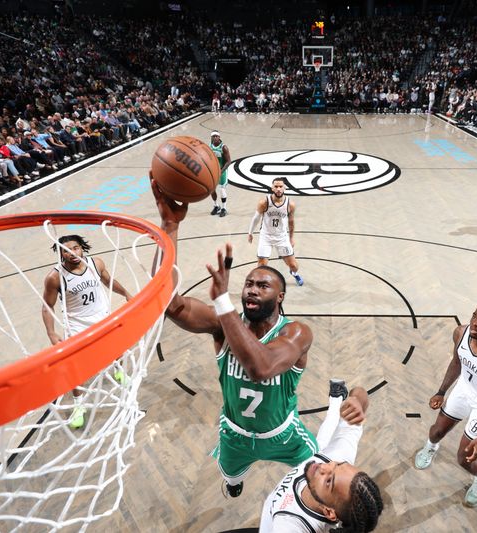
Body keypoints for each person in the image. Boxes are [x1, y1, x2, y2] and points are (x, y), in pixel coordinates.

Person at [151, 179, 318, 497]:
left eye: (263, 285)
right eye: (249, 283)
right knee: (229, 477)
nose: (253, 288)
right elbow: (170, 303)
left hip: (284, 434)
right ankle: (234, 480)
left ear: (280, 297)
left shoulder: (296, 332)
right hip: (235, 434)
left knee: (316, 476)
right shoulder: (222, 323)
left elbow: (262, 366)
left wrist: (222, 302)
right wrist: (169, 226)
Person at [414, 305, 477, 508]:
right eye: (474, 316)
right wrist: (441, 391)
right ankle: (431, 448)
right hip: (463, 390)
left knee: (464, 458)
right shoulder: (461, 333)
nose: (476, 323)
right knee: (436, 432)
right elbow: (456, 363)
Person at [259, 380, 383, 533]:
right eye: (338, 465)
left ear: (329, 512)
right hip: (271, 506)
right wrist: (356, 401)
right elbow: (361, 394)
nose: (325, 465)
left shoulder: (290, 526)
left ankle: (336, 399)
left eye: (329, 481)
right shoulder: (336, 457)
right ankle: (337, 399)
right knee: (325, 439)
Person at [41, 235, 132, 429]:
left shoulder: (95, 263)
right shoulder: (55, 277)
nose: (72, 253)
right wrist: (51, 332)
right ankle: (78, 405)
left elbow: (109, 281)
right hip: (77, 326)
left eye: (76, 248)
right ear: (60, 254)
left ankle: (119, 371)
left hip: (102, 317)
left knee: (118, 349)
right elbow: (47, 306)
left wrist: (125, 293)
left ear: (82, 248)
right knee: (74, 368)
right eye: (66, 250)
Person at [248, 177, 304, 286]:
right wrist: (250, 232)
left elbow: (291, 222)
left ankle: (294, 273)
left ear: (285, 188)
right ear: (272, 188)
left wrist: (291, 238)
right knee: (261, 265)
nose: (278, 189)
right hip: (266, 236)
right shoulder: (264, 202)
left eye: (281, 186)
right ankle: (261, 285)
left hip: (281, 237)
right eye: (276, 186)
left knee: (294, 266)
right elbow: (256, 218)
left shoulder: (290, 204)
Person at [209, 131, 232, 217]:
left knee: (222, 190)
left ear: (219, 137)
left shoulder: (223, 147)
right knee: (212, 190)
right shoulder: (209, 147)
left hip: (222, 170)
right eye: (213, 136)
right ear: (211, 138)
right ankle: (216, 206)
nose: (215, 138)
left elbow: (229, 161)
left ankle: (224, 208)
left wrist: (221, 171)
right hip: (212, 171)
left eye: (216, 136)